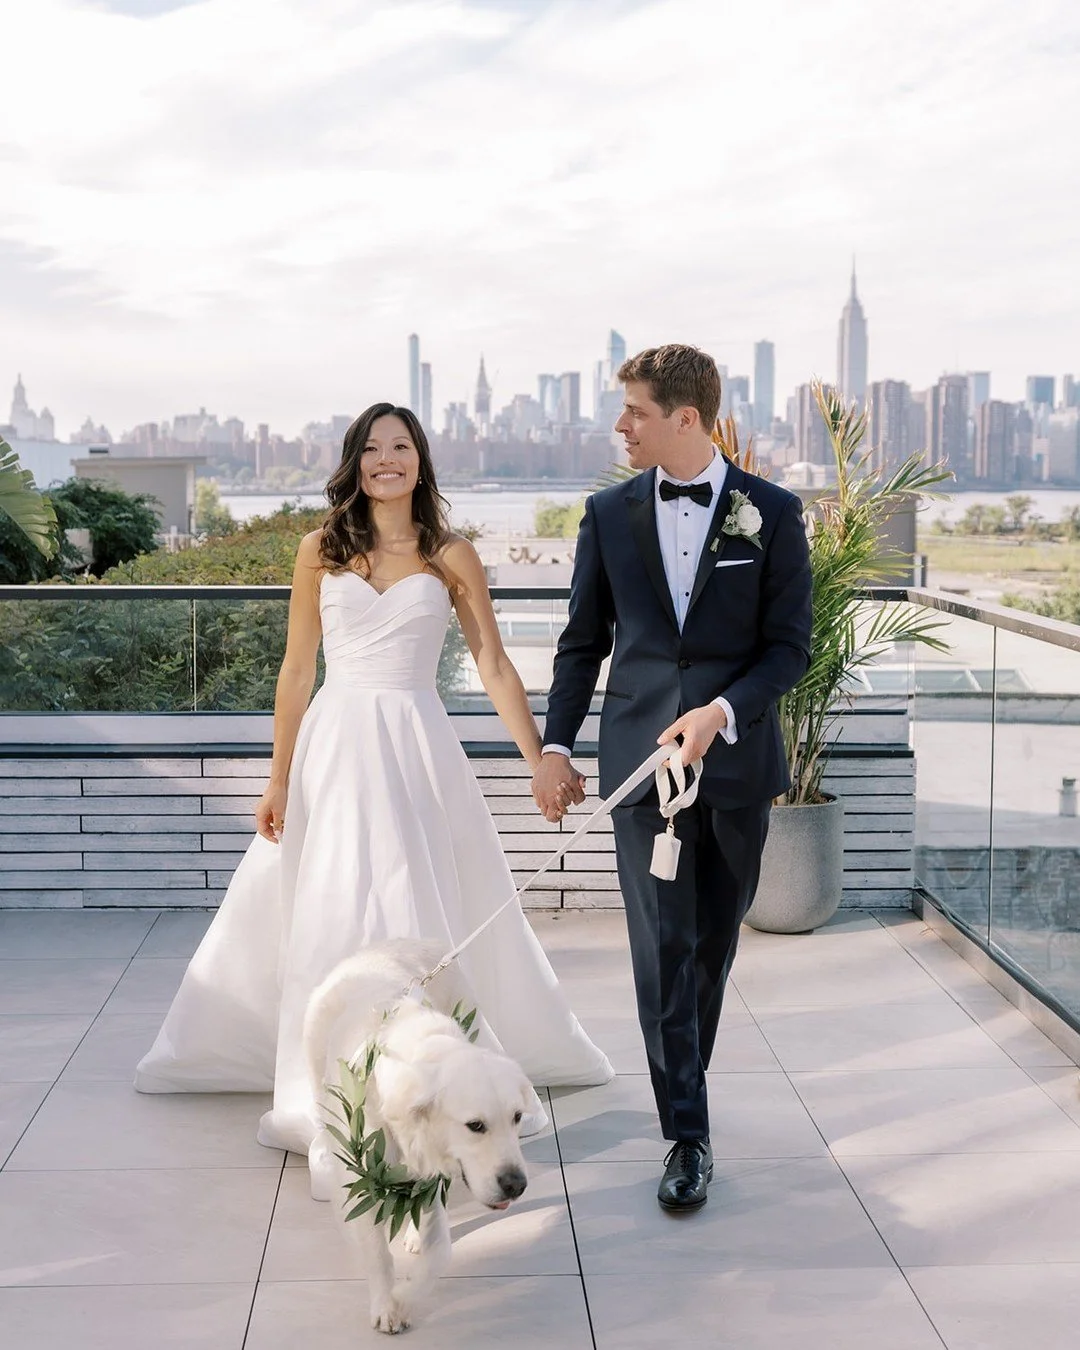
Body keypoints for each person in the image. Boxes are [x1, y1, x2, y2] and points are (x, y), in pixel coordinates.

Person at [136, 402, 613, 1164]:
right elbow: (296, 671)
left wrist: (538, 759)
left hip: (416, 747)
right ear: (354, 463)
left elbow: (492, 664)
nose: (385, 459)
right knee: (329, 903)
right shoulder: (319, 549)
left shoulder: (451, 554)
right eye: (371, 448)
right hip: (335, 744)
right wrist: (277, 780)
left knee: (415, 900)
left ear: (420, 461)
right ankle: (328, 1078)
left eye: (400, 446)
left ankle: (433, 1074)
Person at [532, 345, 811, 1212]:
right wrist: (555, 746)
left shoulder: (773, 513)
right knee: (662, 949)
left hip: (734, 768)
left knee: (712, 949)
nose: (622, 427)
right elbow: (583, 643)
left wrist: (719, 714)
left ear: (685, 419)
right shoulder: (608, 514)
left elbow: (788, 649)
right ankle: (685, 1133)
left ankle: (683, 1086)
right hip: (639, 770)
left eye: (636, 413)